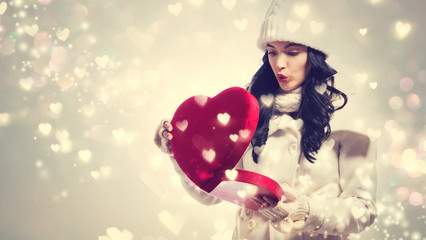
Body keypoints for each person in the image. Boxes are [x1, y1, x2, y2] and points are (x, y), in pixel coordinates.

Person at [154, 0, 377, 239]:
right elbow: (211, 192)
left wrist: (306, 210)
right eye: (272, 52)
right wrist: (178, 152)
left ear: (315, 56)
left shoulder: (344, 118)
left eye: (292, 52)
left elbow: (363, 210)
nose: (280, 63)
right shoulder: (248, 111)